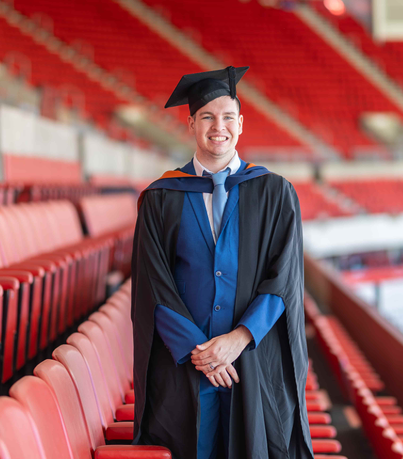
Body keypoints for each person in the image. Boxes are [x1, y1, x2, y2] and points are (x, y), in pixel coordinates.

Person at [131, 65, 313, 459]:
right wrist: (200, 351)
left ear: (241, 123)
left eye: (228, 117)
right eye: (208, 117)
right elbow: (152, 282)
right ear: (191, 122)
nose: (219, 126)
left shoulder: (274, 193)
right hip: (184, 367)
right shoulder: (161, 197)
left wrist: (238, 339)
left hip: (251, 359)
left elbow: (284, 279)